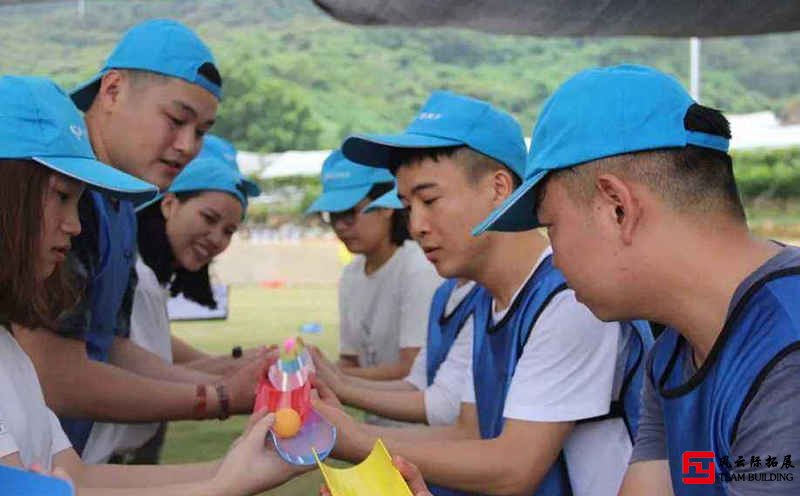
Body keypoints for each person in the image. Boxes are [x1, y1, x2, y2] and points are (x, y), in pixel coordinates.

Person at [475, 64, 800, 495]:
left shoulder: (787, 353)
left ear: (617, 208)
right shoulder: (673, 353)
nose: (554, 260)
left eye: (550, 226)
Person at [312, 90, 651, 496]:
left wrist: (359, 441)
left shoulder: (570, 301)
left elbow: (514, 467)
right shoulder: (486, 300)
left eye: (430, 199)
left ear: (498, 188)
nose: (416, 225)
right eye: (407, 205)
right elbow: (469, 435)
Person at [0, 74, 301, 496]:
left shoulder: (10, 351)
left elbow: (78, 477)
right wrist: (220, 412)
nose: (75, 225)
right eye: (61, 196)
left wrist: (236, 469)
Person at [15, 19, 265, 457]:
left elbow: (112, 344)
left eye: (202, 132)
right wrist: (219, 397)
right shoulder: (69, 201)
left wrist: (225, 381)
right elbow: (56, 375)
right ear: (112, 90)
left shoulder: (123, 204)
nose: (188, 145)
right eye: (176, 119)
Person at [82, 135, 262, 464]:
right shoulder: (140, 277)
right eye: (209, 219)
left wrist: (236, 366)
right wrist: (229, 388)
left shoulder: (149, 276)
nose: (216, 239)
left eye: (229, 231)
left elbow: (155, 354)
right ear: (168, 204)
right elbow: (141, 368)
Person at [306, 150, 442, 424]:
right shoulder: (351, 275)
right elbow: (351, 360)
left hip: (420, 429)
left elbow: (410, 368)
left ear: (387, 207)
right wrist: (313, 367)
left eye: (349, 213)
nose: (341, 226)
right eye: (332, 216)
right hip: (377, 424)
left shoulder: (417, 268)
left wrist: (324, 374)